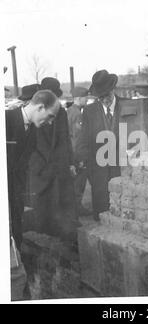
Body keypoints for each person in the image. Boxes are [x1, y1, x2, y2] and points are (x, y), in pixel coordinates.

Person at [6, 90, 60, 300]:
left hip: (14, 202)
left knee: (15, 247)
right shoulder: (6, 121)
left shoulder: (32, 131)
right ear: (39, 107)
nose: (49, 122)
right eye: (49, 116)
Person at [29, 77, 78, 243]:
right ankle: (45, 239)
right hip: (41, 169)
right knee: (44, 207)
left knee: (63, 203)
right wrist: (39, 167)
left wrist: (70, 162)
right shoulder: (33, 114)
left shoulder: (61, 113)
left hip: (60, 166)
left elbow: (65, 138)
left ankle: (66, 239)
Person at [76, 70, 122, 220]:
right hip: (97, 167)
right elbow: (83, 137)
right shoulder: (89, 111)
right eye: (100, 97)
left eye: (106, 95)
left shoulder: (126, 106)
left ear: (113, 89)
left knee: (122, 204)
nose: (104, 99)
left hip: (121, 165)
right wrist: (82, 160)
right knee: (101, 207)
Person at [67, 86, 90, 216]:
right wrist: (80, 159)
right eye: (85, 97)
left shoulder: (69, 110)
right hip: (77, 154)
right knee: (78, 184)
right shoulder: (77, 114)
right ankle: (76, 211)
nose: (87, 100)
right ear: (79, 98)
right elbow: (78, 138)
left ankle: (75, 209)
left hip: (71, 153)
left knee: (73, 184)